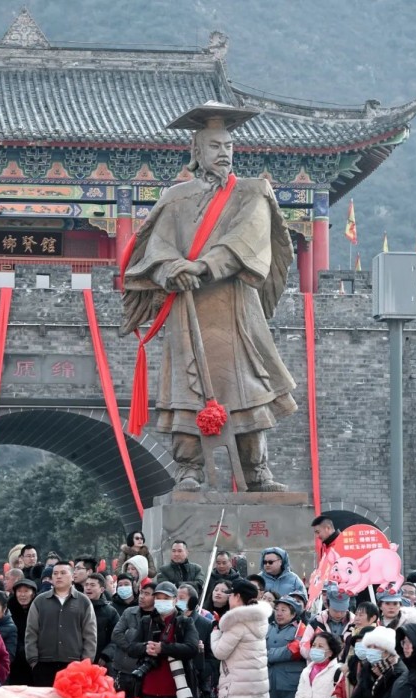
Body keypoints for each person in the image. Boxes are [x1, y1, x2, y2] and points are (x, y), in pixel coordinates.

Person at [121, 102, 296, 491]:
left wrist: (202, 266)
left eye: (229, 146)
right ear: (197, 152)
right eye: (215, 146)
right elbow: (156, 247)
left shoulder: (252, 192)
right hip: (187, 310)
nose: (224, 153)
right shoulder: (176, 197)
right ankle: (189, 469)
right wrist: (169, 269)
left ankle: (256, 471)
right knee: (186, 390)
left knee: (247, 386)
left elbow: (248, 237)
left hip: (234, 308)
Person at [24, 562, 97, 686]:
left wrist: (85, 663)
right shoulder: (40, 601)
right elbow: (31, 632)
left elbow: (90, 636)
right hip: (44, 664)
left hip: (74, 665)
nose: (58, 576)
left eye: (63, 573)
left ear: (72, 576)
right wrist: (33, 661)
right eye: (55, 573)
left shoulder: (83, 601)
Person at [262, 595, 306, 698]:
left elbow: (293, 651)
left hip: (290, 684)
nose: (279, 613)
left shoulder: (301, 628)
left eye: (284, 610)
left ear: (294, 613)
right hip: (268, 683)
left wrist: (268, 655)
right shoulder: (267, 627)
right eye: (277, 609)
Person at [111, 580, 157, 698]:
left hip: (141, 672)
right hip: (120, 669)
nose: (141, 597)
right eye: (141, 593)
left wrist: (131, 637)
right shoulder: (129, 612)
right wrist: (133, 648)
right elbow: (116, 634)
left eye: (147, 594)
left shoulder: (157, 618)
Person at [300, 582, 354, 658]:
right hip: (320, 667)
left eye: (342, 611)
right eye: (335, 610)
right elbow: (304, 645)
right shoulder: (316, 621)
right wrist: (318, 655)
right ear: (328, 605)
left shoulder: (355, 623)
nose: (339, 614)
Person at [83, 573, 118, 670]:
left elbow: (117, 637)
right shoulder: (77, 608)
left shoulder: (110, 612)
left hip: (101, 662)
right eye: (86, 585)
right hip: (78, 660)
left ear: (102, 589)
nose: (88, 588)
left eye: (92, 585)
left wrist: (106, 654)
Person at [8, 578, 37, 685]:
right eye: (19, 591)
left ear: (33, 593)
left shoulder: (39, 608)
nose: (22, 595)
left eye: (26, 591)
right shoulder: (9, 608)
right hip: (14, 660)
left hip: (34, 658)